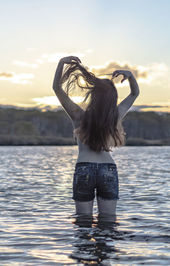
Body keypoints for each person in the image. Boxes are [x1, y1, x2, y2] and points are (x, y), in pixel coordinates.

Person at [52, 55, 140, 217]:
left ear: (94, 95)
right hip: (108, 169)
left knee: (83, 221)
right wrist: (130, 76)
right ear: (112, 98)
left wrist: (61, 64)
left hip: (84, 168)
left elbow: (57, 89)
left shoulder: (78, 115)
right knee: (108, 221)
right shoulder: (115, 116)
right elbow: (134, 94)